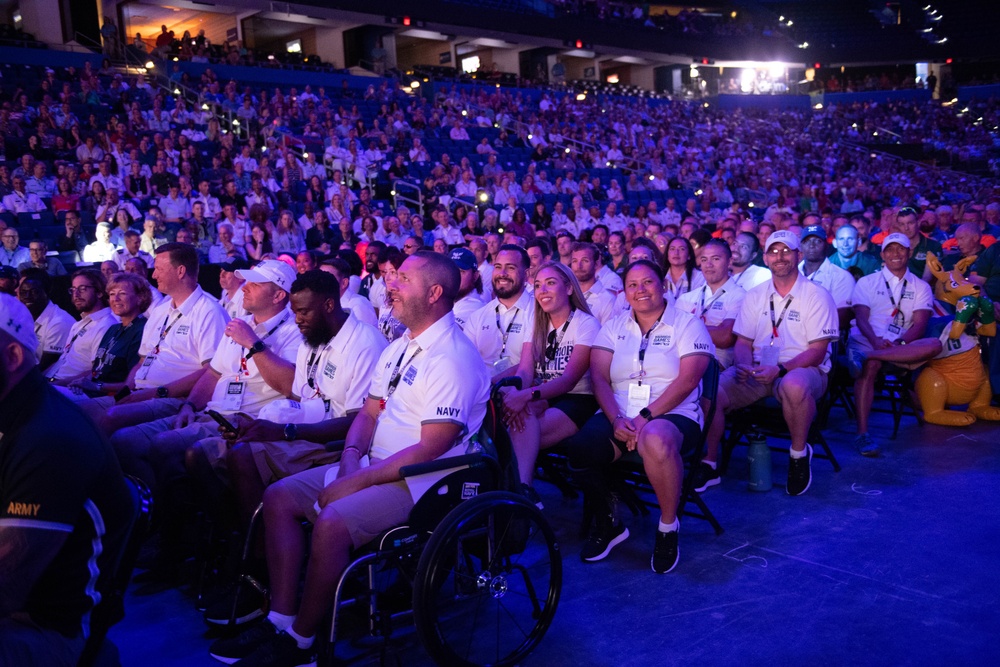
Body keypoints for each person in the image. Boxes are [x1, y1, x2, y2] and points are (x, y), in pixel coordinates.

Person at [207, 252, 489, 665]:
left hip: (424, 481)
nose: (391, 285)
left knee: (333, 521)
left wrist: (356, 480)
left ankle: (302, 642)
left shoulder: (452, 357)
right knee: (281, 497)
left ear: (433, 293)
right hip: (378, 465)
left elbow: (432, 447)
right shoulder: (400, 347)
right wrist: (351, 458)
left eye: (403, 279)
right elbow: (370, 412)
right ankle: (280, 619)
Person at [193, 271, 388, 624]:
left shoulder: (364, 343)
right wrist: (268, 425)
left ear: (329, 305)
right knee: (218, 453)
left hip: (338, 442)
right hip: (304, 430)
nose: (297, 320)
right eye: (295, 312)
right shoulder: (314, 337)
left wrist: (284, 431)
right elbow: (303, 395)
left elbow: (357, 422)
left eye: (304, 312)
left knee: (242, 458)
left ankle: (261, 572)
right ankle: (253, 557)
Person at [0, 293, 131, 667]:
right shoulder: (14, 414)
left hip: (49, 630)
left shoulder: (48, 438)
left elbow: (7, 588)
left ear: (12, 356)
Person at [566, 260, 713, 572]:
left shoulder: (687, 324)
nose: (640, 290)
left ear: (662, 285)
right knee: (579, 448)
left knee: (656, 438)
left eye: (647, 282)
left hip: (673, 413)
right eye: (632, 285)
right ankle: (609, 522)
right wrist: (618, 420)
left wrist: (645, 416)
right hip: (621, 412)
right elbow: (600, 379)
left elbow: (688, 381)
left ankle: (668, 527)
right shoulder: (614, 326)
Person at [701, 231, 839, 496]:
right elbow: (742, 343)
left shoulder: (816, 294)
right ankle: (709, 462)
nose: (780, 257)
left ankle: (798, 454)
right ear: (765, 258)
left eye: (786, 251)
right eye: (774, 252)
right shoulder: (755, 295)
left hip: (802, 368)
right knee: (712, 391)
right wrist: (742, 366)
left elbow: (819, 351)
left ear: (797, 256)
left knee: (794, 385)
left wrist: (781, 369)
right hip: (757, 370)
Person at [77, 243, 228, 437]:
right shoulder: (160, 311)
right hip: (140, 392)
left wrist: (155, 393)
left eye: (158, 269)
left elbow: (211, 371)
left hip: (173, 397)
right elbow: (141, 362)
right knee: (77, 411)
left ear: (180, 271)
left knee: (112, 418)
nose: (153, 275)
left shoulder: (209, 311)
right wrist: (126, 391)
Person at [502, 261, 600, 493]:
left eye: (550, 283)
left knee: (514, 434)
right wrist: (520, 396)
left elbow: (568, 380)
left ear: (568, 288)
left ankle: (519, 491)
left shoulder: (586, 323)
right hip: (541, 393)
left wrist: (525, 396)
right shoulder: (536, 321)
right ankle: (522, 491)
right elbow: (525, 371)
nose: (542, 290)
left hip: (578, 399)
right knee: (517, 417)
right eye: (537, 285)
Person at [848, 234, 937, 457]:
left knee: (935, 344)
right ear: (882, 255)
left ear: (908, 253)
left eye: (901, 249)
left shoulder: (920, 286)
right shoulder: (867, 282)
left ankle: (865, 357)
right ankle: (862, 434)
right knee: (873, 365)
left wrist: (899, 343)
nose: (895, 254)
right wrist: (876, 342)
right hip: (868, 338)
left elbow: (920, 324)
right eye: (890, 249)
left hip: (901, 346)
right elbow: (861, 319)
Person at [63, 271, 150, 399]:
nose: (115, 299)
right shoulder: (113, 329)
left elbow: (134, 383)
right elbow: (97, 370)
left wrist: (97, 386)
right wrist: (81, 383)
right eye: (112, 294)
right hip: (92, 391)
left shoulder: (142, 329)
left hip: (113, 396)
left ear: (140, 298)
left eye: (122, 294)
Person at [464, 244, 535, 382]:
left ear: (526, 274)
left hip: (523, 393)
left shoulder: (538, 312)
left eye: (510, 268)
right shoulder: (478, 317)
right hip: (483, 396)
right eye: (497, 267)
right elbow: (467, 364)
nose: (502, 273)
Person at [676, 240, 745, 371]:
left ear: (729, 262)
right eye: (704, 259)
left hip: (715, 363)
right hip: (679, 358)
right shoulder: (686, 298)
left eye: (716, 259)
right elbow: (672, 334)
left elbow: (725, 337)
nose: (708, 265)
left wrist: (685, 328)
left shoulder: (740, 296)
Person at [45, 269, 118, 385]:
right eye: (73, 290)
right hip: (54, 381)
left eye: (82, 289)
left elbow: (97, 370)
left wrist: (55, 385)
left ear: (99, 292)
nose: (76, 295)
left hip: (73, 386)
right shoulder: (79, 324)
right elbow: (63, 360)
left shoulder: (106, 325)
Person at [17, 268, 74, 372]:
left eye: (33, 292)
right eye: (23, 292)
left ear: (46, 292)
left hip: (53, 381)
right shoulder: (25, 315)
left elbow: (45, 367)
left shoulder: (59, 322)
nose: (27, 296)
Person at [798, 225, 856, 325]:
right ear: (801, 246)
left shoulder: (842, 277)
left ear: (826, 245)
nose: (812, 245)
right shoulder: (791, 273)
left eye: (817, 241)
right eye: (807, 241)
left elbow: (842, 315)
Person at [319, 257, 378, 328]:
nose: (321, 282)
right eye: (320, 277)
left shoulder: (358, 305)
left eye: (327, 278)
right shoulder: (322, 303)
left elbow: (362, 337)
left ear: (344, 283)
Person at [571, 242, 616, 323]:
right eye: (575, 261)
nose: (579, 266)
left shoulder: (607, 299)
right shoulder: (567, 295)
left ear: (596, 264)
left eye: (585, 260)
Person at [449, 247, 486, 329]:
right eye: (450, 269)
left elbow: (448, 333)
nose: (454, 276)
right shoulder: (450, 300)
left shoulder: (475, 307)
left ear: (475, 276)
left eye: (461, 271)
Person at [664, 236, 706, 300]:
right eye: (672, 249)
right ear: (667, 254)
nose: (676, 253)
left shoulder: (700, 277)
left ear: (689, 255)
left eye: (682, 249)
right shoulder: (660, 277)